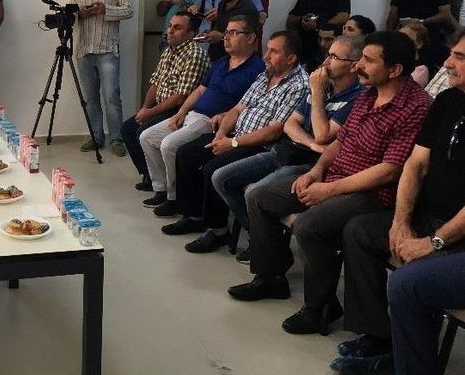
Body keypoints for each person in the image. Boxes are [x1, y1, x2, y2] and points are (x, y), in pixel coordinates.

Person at [227, 31, 433, 338]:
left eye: (368, 60)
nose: (358, 65)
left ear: (395, 70)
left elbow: (390, 171)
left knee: (310, 225)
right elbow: (340, 141)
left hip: (373, 193)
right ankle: (271, 278)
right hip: (334, 176)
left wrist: (329, 190)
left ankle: (319, 307)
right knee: (260, 196)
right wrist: (316, 172)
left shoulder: (416, 107)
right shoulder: (368, 95)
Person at [332, 30, 465, 373]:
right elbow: (415, 164)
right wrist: (401, 221)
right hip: (428, 217)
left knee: (408, 283)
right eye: (452, 53)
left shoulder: (418, 103)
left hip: (457, 236)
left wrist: (433, 242)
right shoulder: (448, 101)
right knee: (360, 231)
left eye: (460, 57)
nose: (448, 63)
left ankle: (408, 363)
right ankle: (378, 337)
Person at [211, 35, 364, 263]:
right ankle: (262, 239)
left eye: (334, 57)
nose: (325, 62)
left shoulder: (355, 97)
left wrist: (317, 94)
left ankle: (267, 252)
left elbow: (323, 134)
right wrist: (310, 142)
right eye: (327, 54)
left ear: (353, 65)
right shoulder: (324, 86)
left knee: (254, 193)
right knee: (220, 177)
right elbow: (291, 125)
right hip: (288, 151)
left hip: (310, 163)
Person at [164, 31, 308, 254]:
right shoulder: (266, 75)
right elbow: (238, 109)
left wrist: (233, 143)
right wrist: (222, 135)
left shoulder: (299, 85)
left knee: (213, 169)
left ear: (291, 59)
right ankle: (194, 216)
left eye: (274, 51)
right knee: (186, 153)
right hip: (235, 136)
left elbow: (274, 131)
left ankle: (219, 231)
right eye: (267, 49)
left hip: (261, 146)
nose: (266, 56)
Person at [139, 16, 264, 216]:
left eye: (233, 33)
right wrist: (181, 112)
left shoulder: (257, 69)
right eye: (226, 32)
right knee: (147, 137)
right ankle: (161, 188)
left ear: (251, 38)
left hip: (210, 121)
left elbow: (250, 105)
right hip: (192, 114)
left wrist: (225, 114)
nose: (226, 37)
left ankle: (174, 198)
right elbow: (199, 90)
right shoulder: (221, 62)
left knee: (169, 145)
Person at [122, 12, 209, 191]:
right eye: (170, 26)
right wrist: (144, 109)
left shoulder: (194, 55)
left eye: (177, 28)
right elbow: (155, 83)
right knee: (128, 128)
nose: (170, 31)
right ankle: (149, 174)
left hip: (179, 110)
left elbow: (181, 97)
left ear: (191, 34)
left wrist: (150, 113)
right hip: (161, 106)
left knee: (142, 131)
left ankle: (162, 184)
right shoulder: (169, 51)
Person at [70, 0, 134, 156]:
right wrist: (81, 13)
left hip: (107, 49)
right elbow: (71, 15)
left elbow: (129, 10)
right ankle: (96, 137)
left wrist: (105, 9)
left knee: (111, 96)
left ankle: (116, 138)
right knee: (90, 97)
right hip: (84, 49)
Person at [287, 0, 351, 70]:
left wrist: (318, 24)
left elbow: (343, 17)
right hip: (302, 48)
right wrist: (302, 19)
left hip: (326, 50)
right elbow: (290, 20)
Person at [194, 0, 260, 62]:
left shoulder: (248, 10)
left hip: (235, 63)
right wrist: (210, 34)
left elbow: (247, 45)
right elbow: (221, 28)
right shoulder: (225, 1)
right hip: (216, 60)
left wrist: (221, 37)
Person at [398, 21, 431, 87]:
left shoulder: (421, 70)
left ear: (419, 43)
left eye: (406, 39)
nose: (398, 42)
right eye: (397, 38)